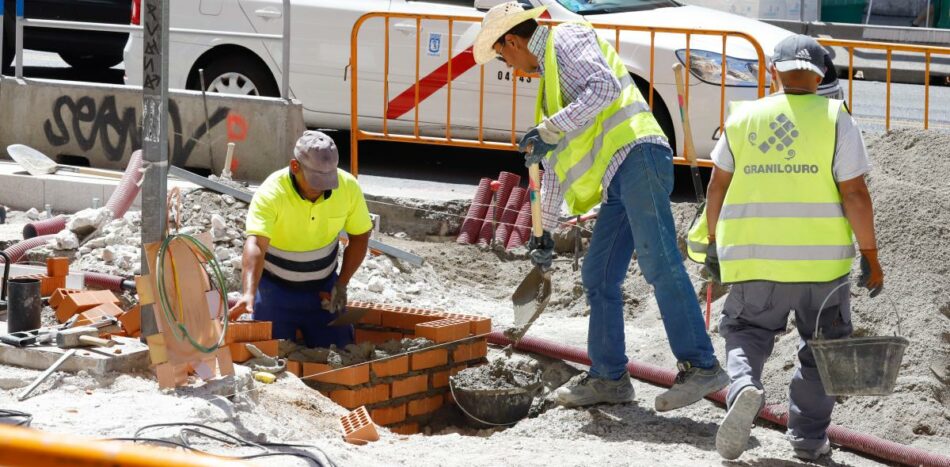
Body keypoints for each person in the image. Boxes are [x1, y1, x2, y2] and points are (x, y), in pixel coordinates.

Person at [472, 2, 727, 411]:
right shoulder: (549, 86)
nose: (512, 66)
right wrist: (545, 232)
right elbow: (554, 166)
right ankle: (609, 379)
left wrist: (550, 129)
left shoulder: (566, 37)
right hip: (619, 176)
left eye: (504, 55)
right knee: (598, 274)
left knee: (659, 262)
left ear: (513, 40)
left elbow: (605, 87)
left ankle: (702, 365)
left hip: (639, 156)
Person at [698, 35, 884, 461]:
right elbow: (855, 193)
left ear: (772, 71)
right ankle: (808, 441)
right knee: (824, 352)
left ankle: (744, 386)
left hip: (755, 258)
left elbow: (717, 185)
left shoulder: (744, 117)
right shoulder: (837, 117)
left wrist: (712, 242)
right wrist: (871, 256)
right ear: (822, 76)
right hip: (822, 267)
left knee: (746, 332)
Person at [227, 131, 373, 348]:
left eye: (327, 181)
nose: (321, 189)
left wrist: (341, 285)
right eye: (315, 182)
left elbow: (360, 236)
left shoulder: (348, 187)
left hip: (323, 289)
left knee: (341, 353)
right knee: (269, 352)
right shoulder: (272, 192)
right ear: (295, 167)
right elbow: (256, 244)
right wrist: (248, 293)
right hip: (274, 291)